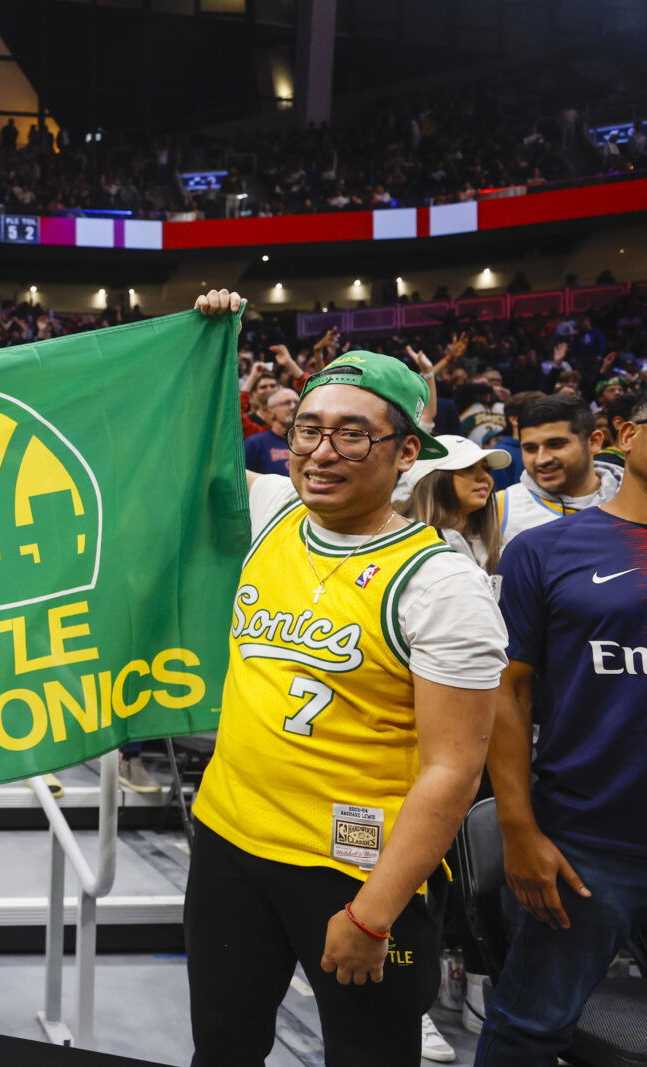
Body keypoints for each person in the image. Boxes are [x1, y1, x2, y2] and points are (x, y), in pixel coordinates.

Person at [186, 291, 508, 1066]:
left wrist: (371, 917)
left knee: (371, 1056)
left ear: (406, 454)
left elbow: (454, 771)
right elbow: (181, 451)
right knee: (222, 1052)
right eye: (309, 429)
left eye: (353, 436)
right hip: (230, 848)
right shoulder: (272, 510)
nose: (321, 451)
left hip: (360, 879)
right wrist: (204, 347)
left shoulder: (441, 585)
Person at [476, 394, 647, 1064]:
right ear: (625, 436)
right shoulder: (543, 549)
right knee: (528, 1026)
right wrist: (518, 827)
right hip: (584, 841)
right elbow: (506, 689)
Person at [497, 394, 621, 544]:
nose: (542, 459)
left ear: (594, 442)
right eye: (530, 448)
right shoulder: (500, 508)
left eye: (555, 445)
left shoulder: (635, 498)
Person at [398, 435, 511, 572]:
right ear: (433, 479)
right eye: (469, 468)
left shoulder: (495, 542)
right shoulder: (403, 544)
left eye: (487, 469)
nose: (485, 477)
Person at [244, 387, 298, 476]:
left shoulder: (308, 440)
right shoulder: (254, 443)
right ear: (271, 412)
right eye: (286, 403)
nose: (293, 407)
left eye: (297, 402)